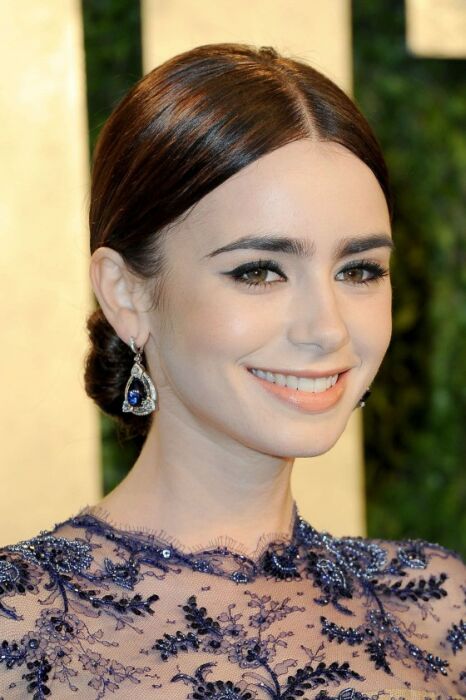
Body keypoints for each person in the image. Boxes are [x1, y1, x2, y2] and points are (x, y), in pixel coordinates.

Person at [0, 43, 464, 700]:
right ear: (127, 294)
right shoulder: (20, 628)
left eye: (359, 270)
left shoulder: (434, 609)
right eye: (259, 272)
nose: (327, 329)